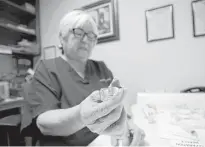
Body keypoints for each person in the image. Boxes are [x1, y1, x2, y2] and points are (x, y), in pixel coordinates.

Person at [21, 9, 145, 146]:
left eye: (92, 36)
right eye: (78, 33)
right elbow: (44, 123)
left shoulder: (101, 68)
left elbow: (116, 106)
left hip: (101, 141)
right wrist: (82, 115)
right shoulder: (48, 68)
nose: (86, 40)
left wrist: (128, 124)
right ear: (62, 37)